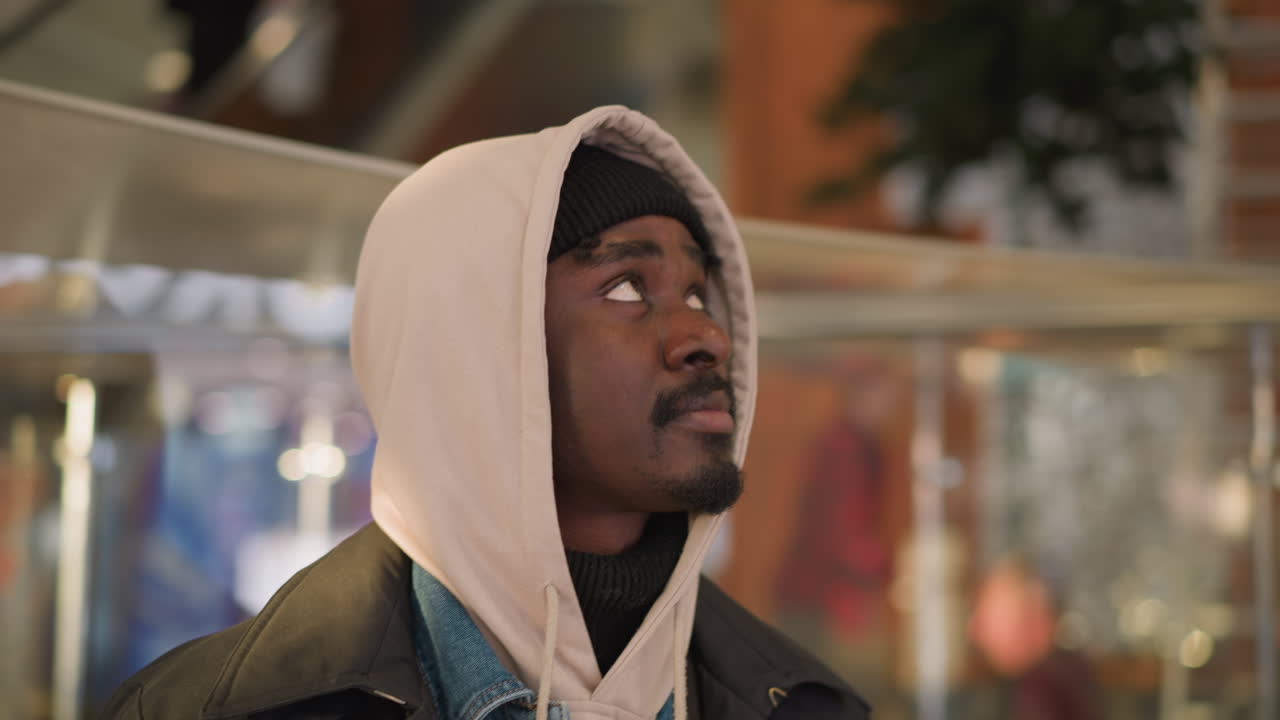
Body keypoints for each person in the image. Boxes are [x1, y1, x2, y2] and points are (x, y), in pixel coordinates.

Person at [100, 106, 869, 719]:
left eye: (700, 294)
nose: (707, 336)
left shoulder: (805, 704)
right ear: (476, 346)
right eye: (628, 288)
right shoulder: (210, 709)